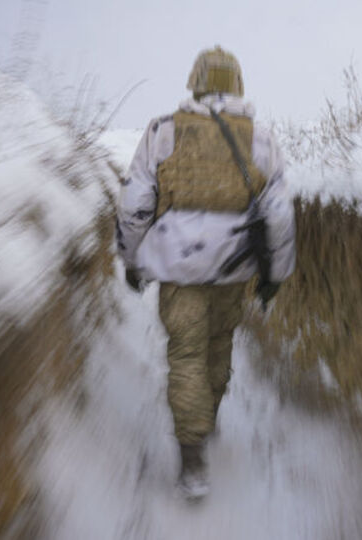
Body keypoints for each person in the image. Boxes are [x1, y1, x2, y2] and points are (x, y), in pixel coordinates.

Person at [115, 45, 296, 500]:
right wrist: (275, 272)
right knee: (218, 345)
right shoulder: (260, 138)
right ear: (238, 83)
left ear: (194, 81)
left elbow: (136, 205)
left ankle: (191, 458)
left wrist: (133, 261)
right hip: (234, 269)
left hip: (179, 269)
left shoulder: (163, 131)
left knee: (186, 355)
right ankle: (207, 418)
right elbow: (278, 214)